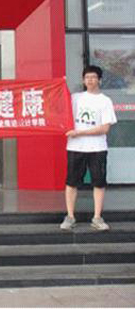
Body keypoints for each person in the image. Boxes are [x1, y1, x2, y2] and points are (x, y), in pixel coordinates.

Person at [60, 65, 117, 231]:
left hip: (97, 148)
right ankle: (70, 216)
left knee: (99, 183)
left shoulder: (105, 101)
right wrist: (61, 85)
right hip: (75, 147)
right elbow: (59, 104)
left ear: (99, 80)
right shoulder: (75, 98)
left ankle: (97, 217)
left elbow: (104, 128)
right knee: (71, 182)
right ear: (83, 80)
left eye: (93, 77)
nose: (90, 80)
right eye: (87, 77)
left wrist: (80, 132)